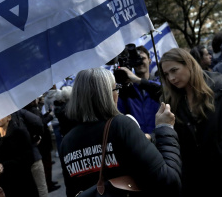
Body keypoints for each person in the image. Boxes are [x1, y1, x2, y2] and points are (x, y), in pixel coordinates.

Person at [59, 68, 181, 197]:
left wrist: (146, 139)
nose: (118, 92)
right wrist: (165, 128)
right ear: (107, 94)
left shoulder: (66, 142)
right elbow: (169, 181)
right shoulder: (121, 125)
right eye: (116, 88)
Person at [159, 48, 222, 197]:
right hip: (190, 180)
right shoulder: (169, 102)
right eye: (166, 74)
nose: (171, 78)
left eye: (174, 70)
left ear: (189, 64)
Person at [117, 45, 161, 133]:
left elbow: (161, 89)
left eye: (142, 58)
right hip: (138, 140)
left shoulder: (158, 84)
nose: (139, 62)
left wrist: (137, 80)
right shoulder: (126, 90)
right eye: (135, 60)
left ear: (149, 60)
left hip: (159, 137)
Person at [0, 115, 39, 197]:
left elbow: (28, 158)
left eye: (0, 115)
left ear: (9, 117)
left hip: (22, 183)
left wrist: (4, 166)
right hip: (5, 186)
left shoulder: (19, 133)